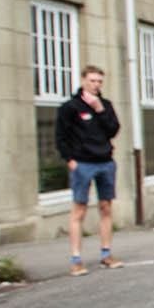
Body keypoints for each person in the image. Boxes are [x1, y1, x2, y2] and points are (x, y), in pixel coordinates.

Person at [54, 65, 123, 276]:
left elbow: (113, 130)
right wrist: (70, 160)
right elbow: (61, 137)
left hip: (105, 162)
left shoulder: (106, 105)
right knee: (80, 209)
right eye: (92, 80)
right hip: (82, 164)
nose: (96, 85)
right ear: (83, 81)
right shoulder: (70, 107)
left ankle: (106, 253)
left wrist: (100, 110)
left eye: (99, 81)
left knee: (106, 207)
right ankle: (76, 259)